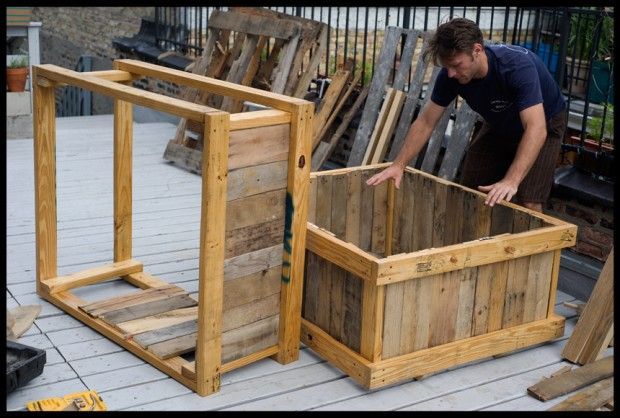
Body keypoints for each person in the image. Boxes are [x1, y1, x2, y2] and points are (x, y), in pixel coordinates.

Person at [366, 17, 567, 213]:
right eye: (447, 67)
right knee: (472, 187)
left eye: (456, 65)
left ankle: (532, 246)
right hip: (499, 122)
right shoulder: (449, 76)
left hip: (544, 123)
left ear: (477, 50)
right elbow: (426, 122)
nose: (451, 73)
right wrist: (398, 165)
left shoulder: (516, 67)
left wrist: (511, 181)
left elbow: (536, 128)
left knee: (528, 201)